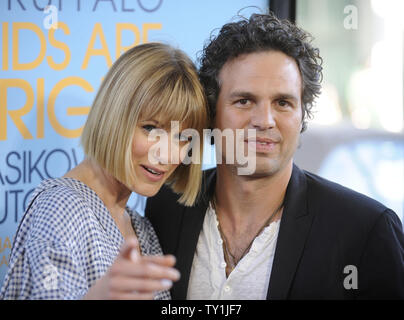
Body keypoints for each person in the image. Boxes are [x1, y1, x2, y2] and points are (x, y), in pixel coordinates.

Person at [145, 13, 404, 299]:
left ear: (302, 116)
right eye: (244, 101)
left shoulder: (365, 230)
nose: (265, 120)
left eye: (283, 103)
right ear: (211, 112)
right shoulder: (166, 206)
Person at [0, 42, 208, 300]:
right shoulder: (61, 208)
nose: (167, 154)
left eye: (181, 136)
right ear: (114, 117)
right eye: (151, 129)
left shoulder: (141, 228)